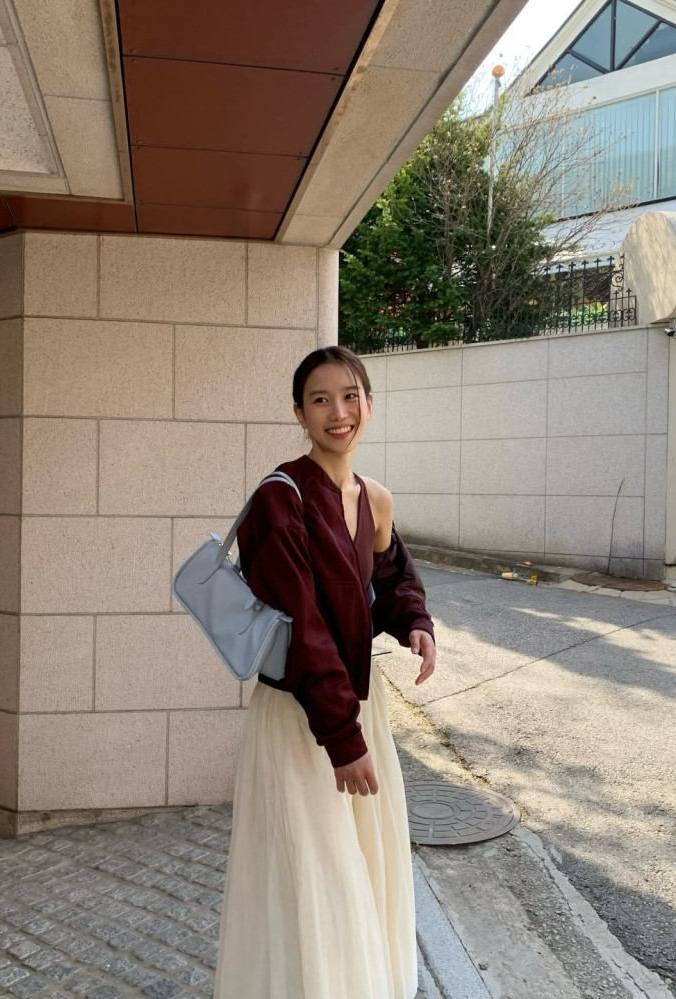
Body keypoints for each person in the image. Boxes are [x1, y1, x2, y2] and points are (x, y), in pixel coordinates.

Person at [214, 346, 436, 999]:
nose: (338, 412)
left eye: (349, 396)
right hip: (301, 718)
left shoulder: (376, 499)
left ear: (369, 403)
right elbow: (304, 628)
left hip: (359, 707)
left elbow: (390, 576)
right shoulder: (278, 500)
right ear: (299, 413)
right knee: (316, 873)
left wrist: (415, 621)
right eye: (320, 399)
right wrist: (343, 740)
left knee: (361, 862)